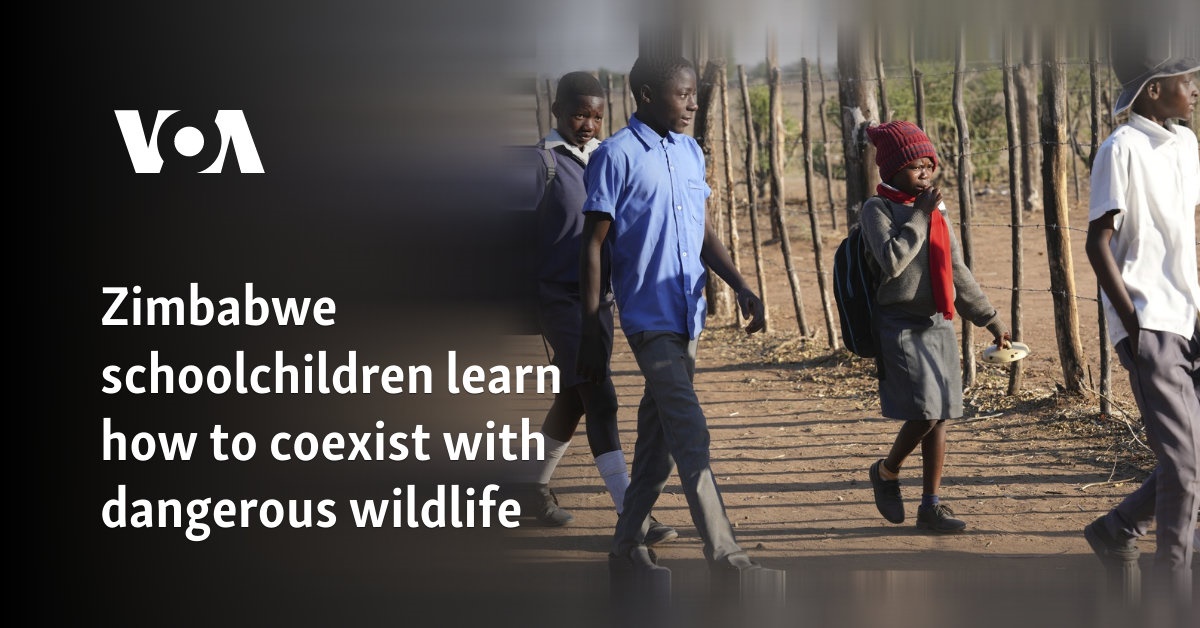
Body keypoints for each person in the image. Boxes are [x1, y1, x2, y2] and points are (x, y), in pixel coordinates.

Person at [577, 55, 767, 582]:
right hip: (647, 317)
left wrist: (741, 284)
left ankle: (626, 544)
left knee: (658, 441)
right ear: (644, 95)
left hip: (688, 315)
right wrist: (593, 328)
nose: (692, 103)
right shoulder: (614, 156)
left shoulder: (689, 152)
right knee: (690, 430)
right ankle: (727, 557)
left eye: (694, 94)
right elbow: (592, 246)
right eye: (682, 94)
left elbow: (702, 230)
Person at [510, 71, 676, 546]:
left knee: (573, 397)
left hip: (600, 300)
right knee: (600, 396)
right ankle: (633, 512)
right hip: (559, 300)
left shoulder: (607, 159)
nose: (588, 124)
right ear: (557, 111)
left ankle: (530, 487)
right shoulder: (539, 165)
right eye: (580, 114)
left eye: (598, 116)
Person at [1082, 39, 1198, 602]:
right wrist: (1132, 320)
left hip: (1188, 316)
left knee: (1193, 455)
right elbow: (1097, 241)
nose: (1195, 89)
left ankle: (1117, 528)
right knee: (1182, 464)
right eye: (1186, 80)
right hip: (1150, 321)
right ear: (1155, 90)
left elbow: (1183, 233)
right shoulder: (1120, 147)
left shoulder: (1187, 144)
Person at [860, 120, 1010, 533]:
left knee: (941, 415)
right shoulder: (877, 209)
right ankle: (887, 472)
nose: (925, 173)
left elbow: (955, 270)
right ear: (890, 171)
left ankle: (931, 504)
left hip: (937, 320)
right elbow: (892, 263)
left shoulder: (935, 211)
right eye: (914, 167)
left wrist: (991, 320)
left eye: (929, 165)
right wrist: (920, 217)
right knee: (927, 411)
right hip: (900, 322)